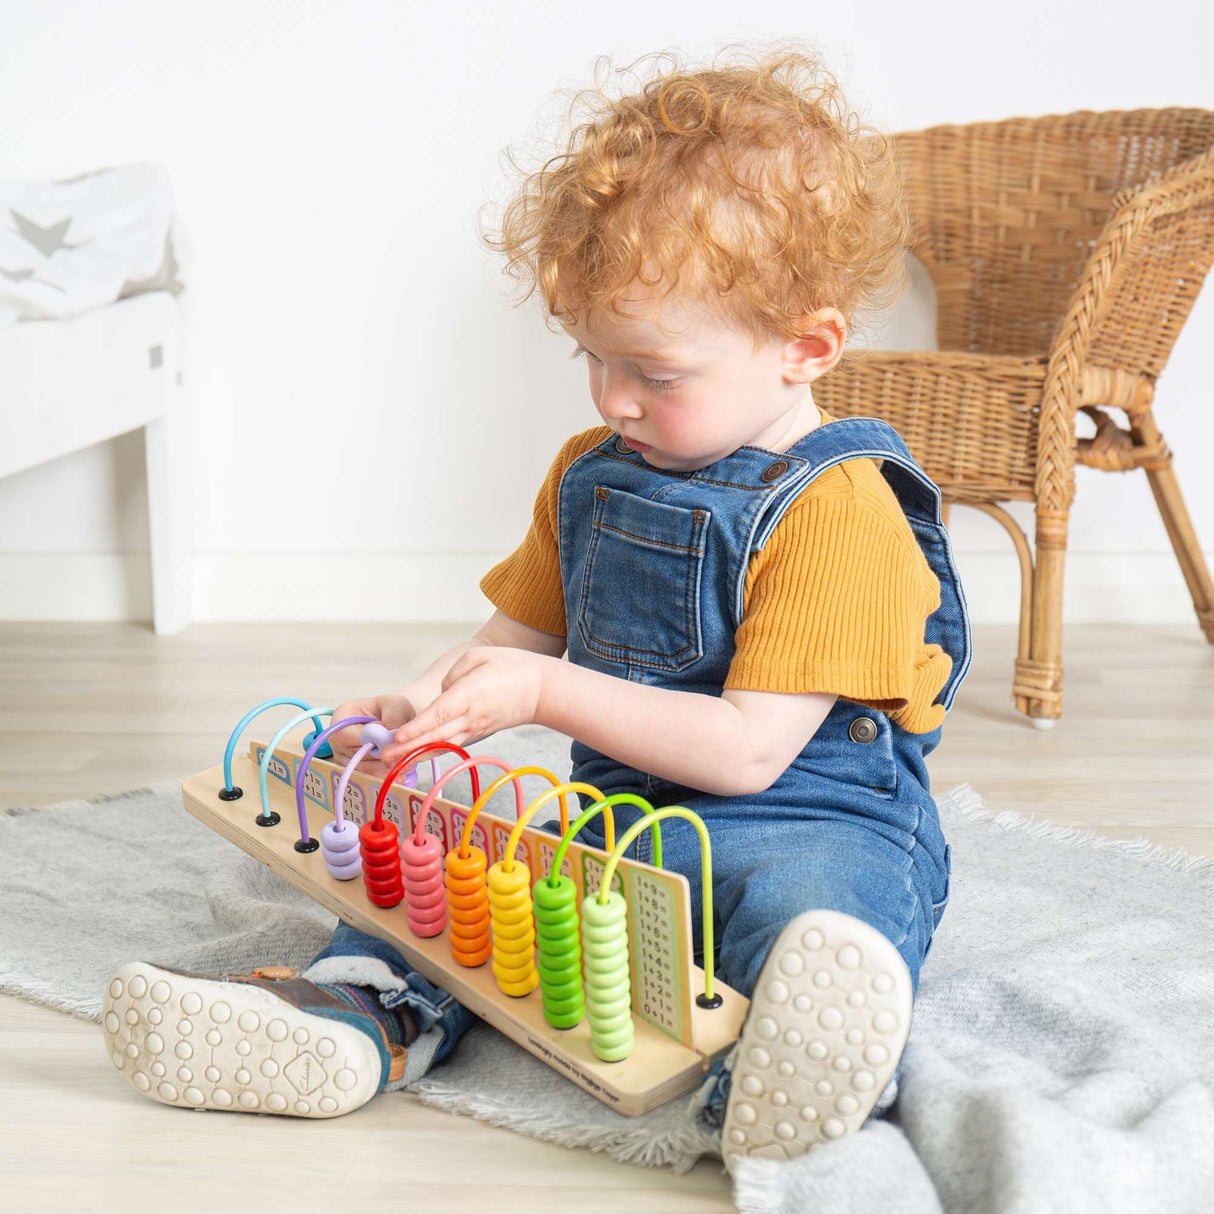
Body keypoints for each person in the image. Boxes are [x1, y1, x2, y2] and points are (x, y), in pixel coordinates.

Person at [104, 42, 968, 1175]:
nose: (616, 399)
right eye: (592, 358)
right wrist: (419, 705)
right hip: (623, 821)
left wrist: (546, 693)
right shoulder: (591, 470)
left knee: (815, 920)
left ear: (804, 346)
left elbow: (751, 751)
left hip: (807, 818)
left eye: (653, 372)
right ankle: (348, 1018)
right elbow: (515, 640)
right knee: (471, 889)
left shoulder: (840, 509)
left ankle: (789, 1073)